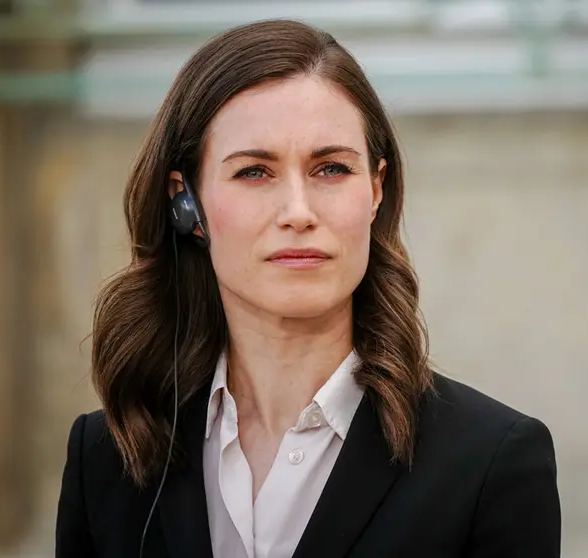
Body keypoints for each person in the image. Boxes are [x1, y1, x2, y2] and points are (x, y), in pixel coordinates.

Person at [55, 19, 561, 558]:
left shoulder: (491, 461)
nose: (298, 212)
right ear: (188, 205)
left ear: (375, 191)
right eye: (254, 172)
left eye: (331, 168)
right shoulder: (108, 459)